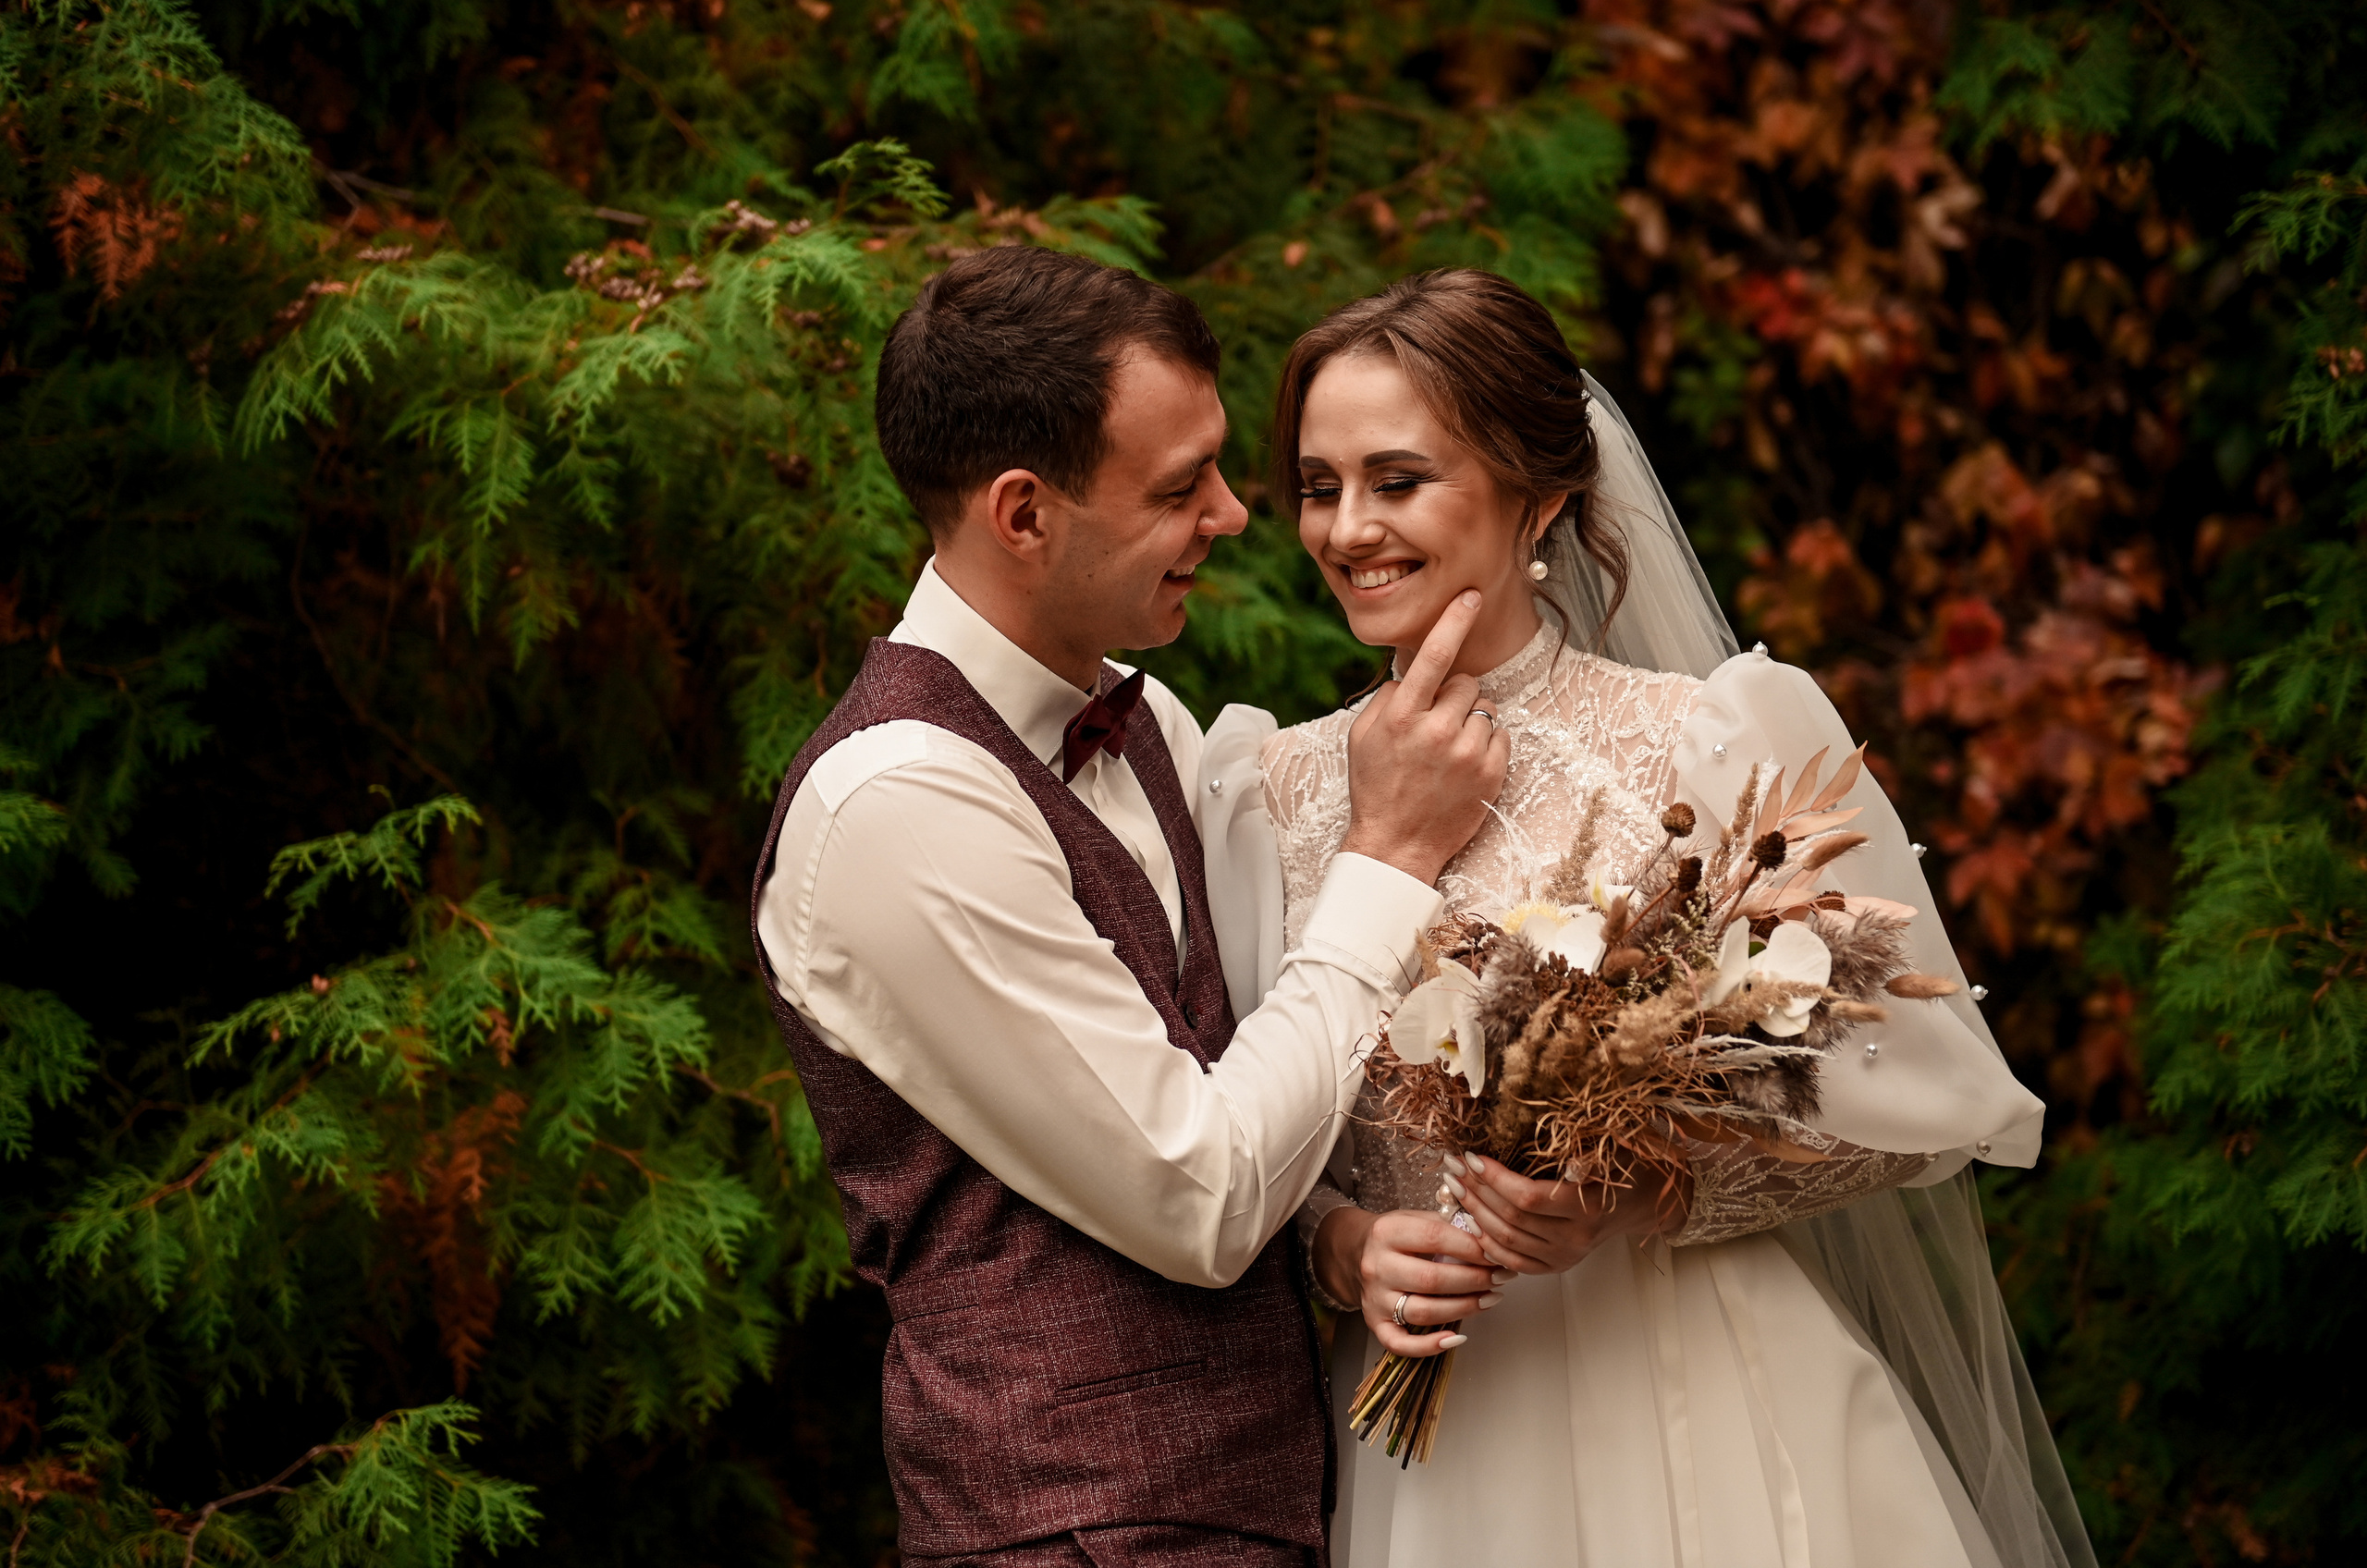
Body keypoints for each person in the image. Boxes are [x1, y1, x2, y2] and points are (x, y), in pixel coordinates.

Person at [1196, 269, 2098, 1568]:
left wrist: (1639, 1197)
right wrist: (1341, 1250)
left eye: (1397, 481)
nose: (1346, 528)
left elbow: (1920, 1109)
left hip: (1704, 1396)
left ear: (1540, 493)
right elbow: (1229, 1139)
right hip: (1439, 1447)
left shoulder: (1711, 747)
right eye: (1317, 486)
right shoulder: (1259, 791)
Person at [748, 246, 1511, 1567]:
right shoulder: (894, 808)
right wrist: (1387, 856)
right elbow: (1203, 1193)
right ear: (1023, 513)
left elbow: (1269, 1077)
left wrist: (1343, 1239)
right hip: (1069, 1534)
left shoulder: (1150, 721)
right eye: (1179, 487)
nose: (1234, 514)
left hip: (1280, 1502)